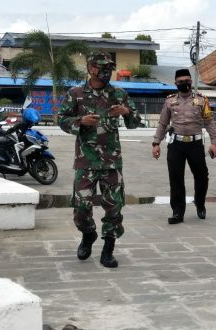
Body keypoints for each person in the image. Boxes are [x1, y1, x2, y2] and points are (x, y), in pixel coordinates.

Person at [58, 52, 142, 268]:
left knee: (114, 208)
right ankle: (88, 234)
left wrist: (126, 112)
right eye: (101, 67)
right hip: (85, 162)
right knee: (81, 208)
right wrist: (80, 121)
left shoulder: (119, 94)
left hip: (112, 163)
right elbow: (61, 119)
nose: (105, 71)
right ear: (90, 68)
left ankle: (108, 249)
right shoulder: (75, 94)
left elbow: (135, 122)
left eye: (109, 68)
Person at [152, 68, 216, 225]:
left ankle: (200, 203)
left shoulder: (202, 100)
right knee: (176, 179)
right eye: (181, 82)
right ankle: (177, 212)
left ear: (191, 82)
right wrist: (156, 143)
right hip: (176, 144)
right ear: (176, 84)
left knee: (202, 177)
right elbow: (162, 123)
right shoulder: (170, 101)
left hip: (195, 144)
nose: (185, 84)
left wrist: (214, 143)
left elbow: (209, 122)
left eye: (187, 81)